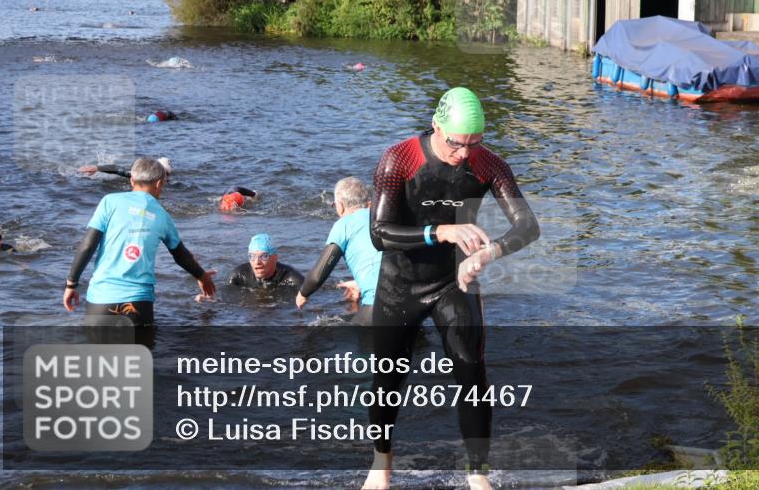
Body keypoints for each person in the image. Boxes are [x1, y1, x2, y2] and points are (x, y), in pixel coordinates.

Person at [362, 87, 540, 490]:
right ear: (436, 126)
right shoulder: (399, 159)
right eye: (456, 144)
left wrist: (489, 253)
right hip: (400, 283)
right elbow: (379, 234)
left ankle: (477, 476)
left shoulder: (488, 163)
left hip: (455, 281)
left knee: (471, 369)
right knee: (388, 377)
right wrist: (439, 231)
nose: (464, 154)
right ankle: (381, 464)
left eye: (474, 144)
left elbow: (528, 226)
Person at [63, 157, 216, 326]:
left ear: (131, 180)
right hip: (138, 305)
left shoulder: (109, 202)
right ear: (159, 184)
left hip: (101, 300)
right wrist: (201, 276)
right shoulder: (162, 215)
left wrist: (71, 285)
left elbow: (87, 246)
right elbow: (181, 256)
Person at [296, 177, 382, 326]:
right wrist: (361, 283)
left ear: (340, 206)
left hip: (379, 305)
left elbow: (317, 276)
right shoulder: (382, 216)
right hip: (412, 302)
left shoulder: (343, 224)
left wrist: (303, 293)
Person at [227, 234, 303, 289]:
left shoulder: (294, 279)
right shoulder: (238, 276)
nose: (257, 262)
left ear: (275, 258)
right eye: (252, 256)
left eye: (264, 256)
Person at [79, 157, 172, 180]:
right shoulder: (145, 175)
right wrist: (97, 167)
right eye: (164, 173)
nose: (166, 178)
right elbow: (118, 169)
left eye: (168, 174)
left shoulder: (170, 182)